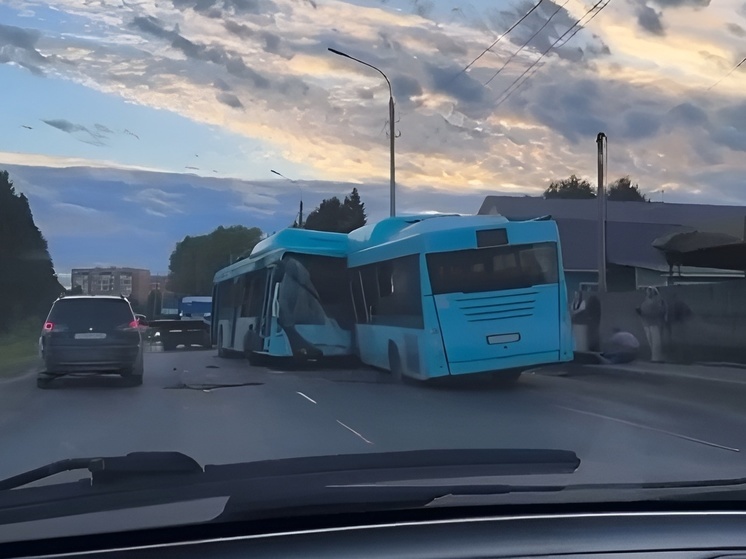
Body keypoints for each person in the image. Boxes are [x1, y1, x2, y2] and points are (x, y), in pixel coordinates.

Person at [636, 286, 667, 362]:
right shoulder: (646, 300)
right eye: (647, 290)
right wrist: (640, 312)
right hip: (647, 324)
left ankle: (657, 358)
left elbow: (659, 312)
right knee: (651, 342)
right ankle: (655, 357)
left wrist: (643, 312)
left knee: (656, 342)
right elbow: (645, 311)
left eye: (650, 290)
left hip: (655, 324)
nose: (648, 291)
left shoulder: (659, 300)